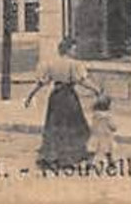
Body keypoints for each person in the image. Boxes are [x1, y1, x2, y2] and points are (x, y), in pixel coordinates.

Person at [24, 36, 96, 168]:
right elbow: (82, 81)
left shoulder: (51, 64)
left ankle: (53, 157)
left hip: (55, 97)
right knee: (75, 125)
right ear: (68, 50)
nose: (75, 52)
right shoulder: (74, 64)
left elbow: (41, 83)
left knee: (54, 126)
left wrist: (29, 96)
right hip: (68, 97)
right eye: (74, 49)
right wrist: (97, 89)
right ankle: (70, 157)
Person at [89, 93, 118, 165]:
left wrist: (93, 130)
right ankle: (110, 161)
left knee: (94, 148)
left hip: (96, 134)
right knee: (108, 149)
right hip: (106, 134)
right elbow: (112, 125)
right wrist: (114, 128)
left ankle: (90, 161)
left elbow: (93, 125)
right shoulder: (108, 116)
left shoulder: (95, 116)